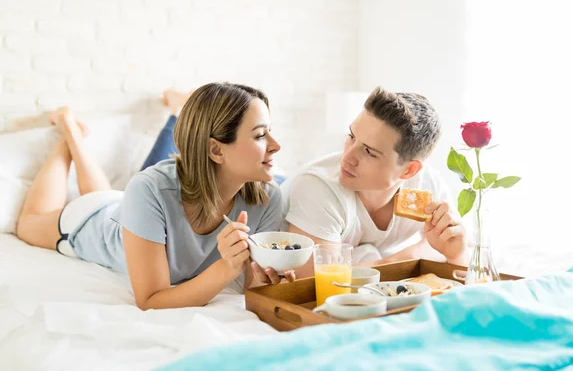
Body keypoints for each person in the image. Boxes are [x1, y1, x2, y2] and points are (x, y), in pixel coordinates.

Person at [16, 82, 294, 310]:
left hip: (128, 208)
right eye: (260, 135)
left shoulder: (268, 200)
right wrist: (226, 267)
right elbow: (150, 300)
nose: (276, 145)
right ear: (217, 151)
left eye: (270, 132)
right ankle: (68, 133)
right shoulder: (150, 189)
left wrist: (274, 282)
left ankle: (74, 135)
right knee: (28, 224)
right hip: (91, 221)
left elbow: (252, 290)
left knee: (107, 193)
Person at [281, 87, 467, 278]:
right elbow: (314, 284)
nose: (347, 157)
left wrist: (456, 254)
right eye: (351, 137)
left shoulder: (428, 187)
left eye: (369, 152)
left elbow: (457, 256)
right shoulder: (317, 188)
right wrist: (400, 259)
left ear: (409, 170)